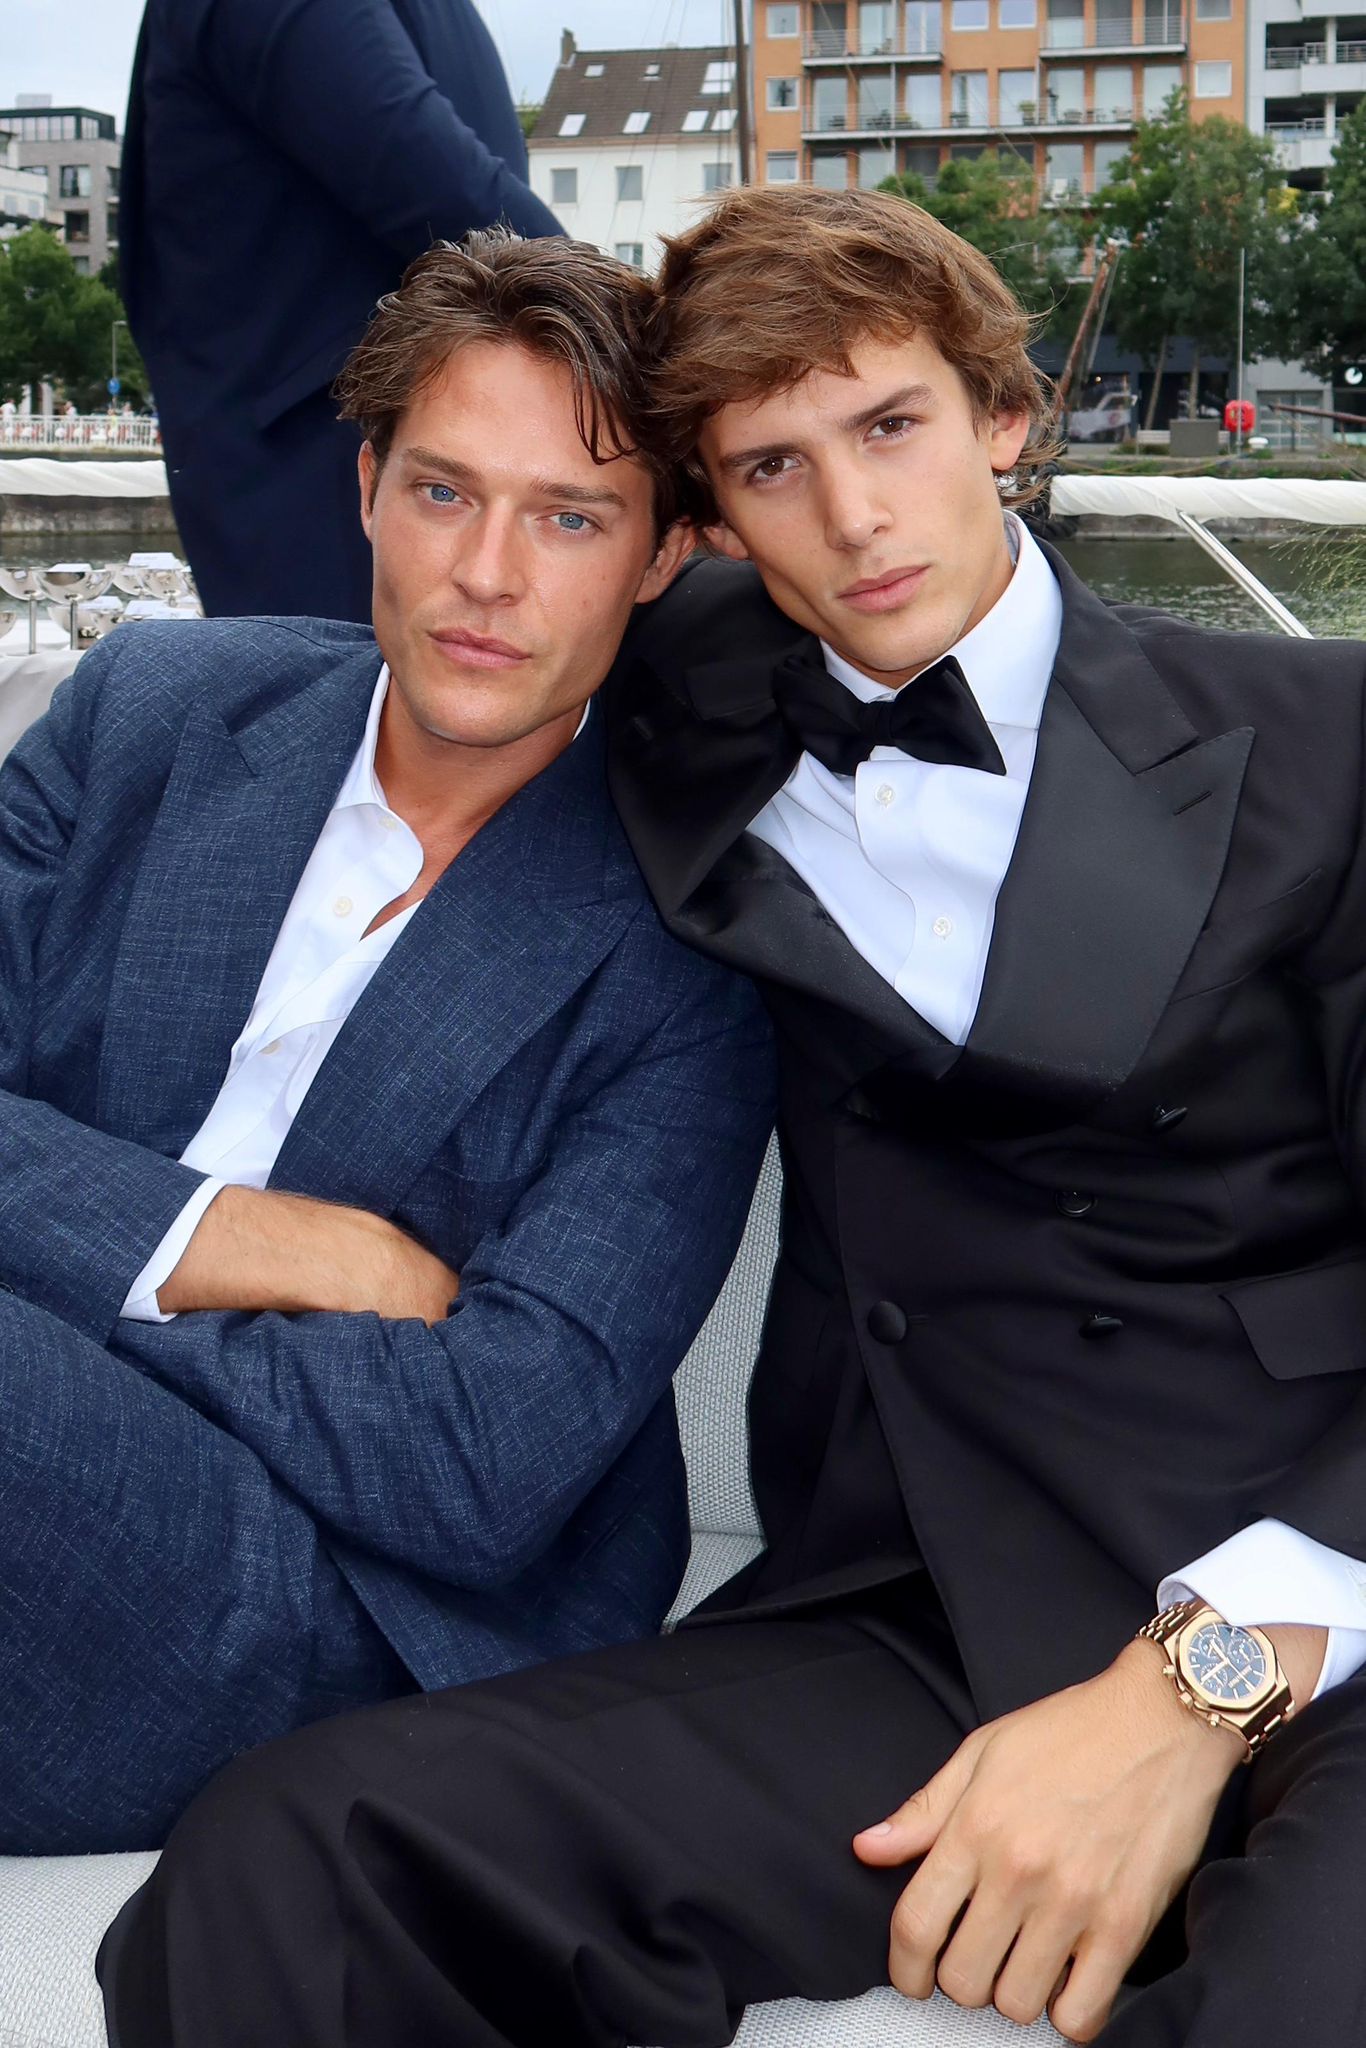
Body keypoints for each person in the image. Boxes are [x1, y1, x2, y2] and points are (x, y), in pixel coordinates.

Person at [98, 188, 1366, 2048]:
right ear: (704, 520)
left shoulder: (1325, 744)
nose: (850, 519)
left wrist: (1192, 1691)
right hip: (914, 1607)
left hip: (1315, 1598)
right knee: (295, 1858)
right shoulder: (690, 700)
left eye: (891, 426)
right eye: (771, 464)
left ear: (1004, 416)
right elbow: (485, 606)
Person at [0, 230, 772, 1857]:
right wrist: (230, 1240)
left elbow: (494, 1452)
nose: (486, 573)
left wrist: (57, 1279)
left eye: (568, 516)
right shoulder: (148, 709)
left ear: (660, 556)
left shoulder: (694, 934)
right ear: (365, 488)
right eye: (442, 491)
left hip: (328, 1601)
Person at [120, 0, 561, 623]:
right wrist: (642, 346)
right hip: (339, 474)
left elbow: (442, 183)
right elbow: (438, 180)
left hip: (362, 466)